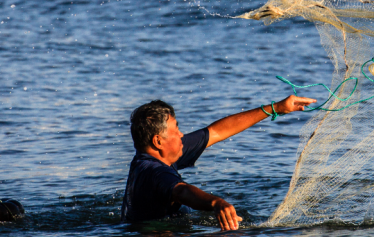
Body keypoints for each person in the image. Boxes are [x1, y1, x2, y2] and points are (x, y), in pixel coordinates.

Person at [121, 97, 316, 228]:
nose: (181, 135)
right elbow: (181, 191)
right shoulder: (154, 172)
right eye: (176, 130)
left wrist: (276, 108)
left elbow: (215, 132)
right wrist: (216, 202)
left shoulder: (158, 154)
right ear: (158, 141)